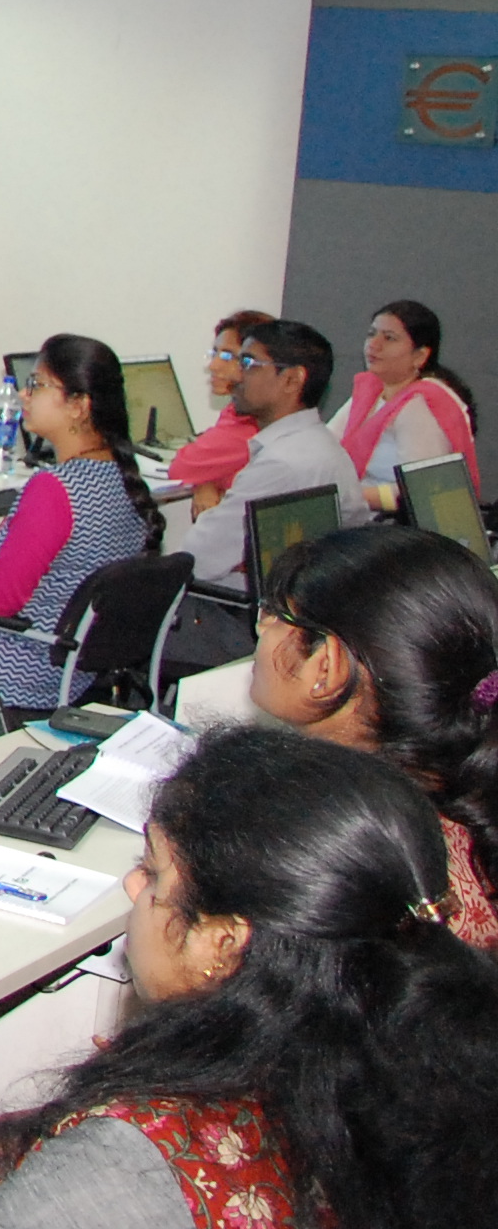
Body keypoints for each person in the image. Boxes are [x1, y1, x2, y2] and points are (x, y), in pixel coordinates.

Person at [0, 728, 498, 1228]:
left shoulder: (140, 1162)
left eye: (153, 872)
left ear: (223, 943)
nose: (133, 886)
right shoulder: (433, 1067)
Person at [249, 523, 498, 951]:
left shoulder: (311, 852)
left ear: (326, 668)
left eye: (275, 614)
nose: (262, 626)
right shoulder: (462, 793)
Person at [0, 336, 167, 711]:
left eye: (37, 384)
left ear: (79, 406)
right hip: (73, 674)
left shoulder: (54, 489)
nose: (24, 395)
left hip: (17, 670)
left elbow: (0, 600)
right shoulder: (122, 476)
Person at [181, 318, 369, 604]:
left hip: (265, 612)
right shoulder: (318, 444)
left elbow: (198, 559)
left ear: (292, 380)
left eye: (248, 363)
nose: (237, 375)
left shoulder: (283, 464)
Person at [325, 298, 479, 510]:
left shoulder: (421, 405)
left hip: (396, 523)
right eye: (371, 334)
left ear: (420, 355)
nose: (374, 344)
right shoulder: (372, 390)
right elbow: (326, 446)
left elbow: (419, 491)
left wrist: (345, 496)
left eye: (389, 338)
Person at [166, 308, 271, 515]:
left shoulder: (247, 426)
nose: (213, 365)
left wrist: (205, 477)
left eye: (228, 356)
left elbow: (181, 468)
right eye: (215, 353)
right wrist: (207, 481)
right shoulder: (240, 411)